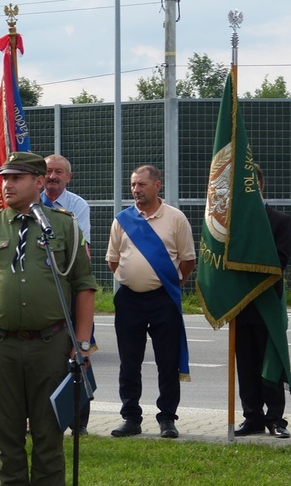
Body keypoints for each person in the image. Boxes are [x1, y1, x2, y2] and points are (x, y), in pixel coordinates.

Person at [0, 152, 96, 485]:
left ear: (38, 182)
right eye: (5, 178)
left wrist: (81, 343)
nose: (7, 185)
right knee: (6, 439)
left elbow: (84, 288)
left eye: (16, 178)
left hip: (51, 346)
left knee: (49, 439)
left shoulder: (63, 225)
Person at [106, 165, 196, 439]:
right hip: (129, 300)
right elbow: (112, 260)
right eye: (133, 184)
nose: (136, 190)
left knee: (167, 361)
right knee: (129, 362)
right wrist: (133, 278)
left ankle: (167, 418)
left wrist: (171, 284)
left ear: (157, 186)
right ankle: (130, 417)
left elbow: (188, 260)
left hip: (163, 299)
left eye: (142, 184)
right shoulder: (122, 220)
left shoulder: (175, 218)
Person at [233, 164, 291, 439]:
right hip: (241, 306)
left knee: (271, 364)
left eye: (250, 183)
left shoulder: (280, 220)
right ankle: (252, 417)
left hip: (268, 304)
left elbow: (279, 262)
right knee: (246, 366)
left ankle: (275, 418)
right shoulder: (231, 223)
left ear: (259, 185)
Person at [43, 153, 94, 436]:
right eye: (48, 171)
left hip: (70, 287)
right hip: (41, 289)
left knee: (79, 354)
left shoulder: (77, 206)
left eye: (58, 172)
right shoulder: (32, 204)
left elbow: (78, 246)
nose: (52, 176)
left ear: (68, 177)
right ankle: (40, 418)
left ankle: (79, 423)